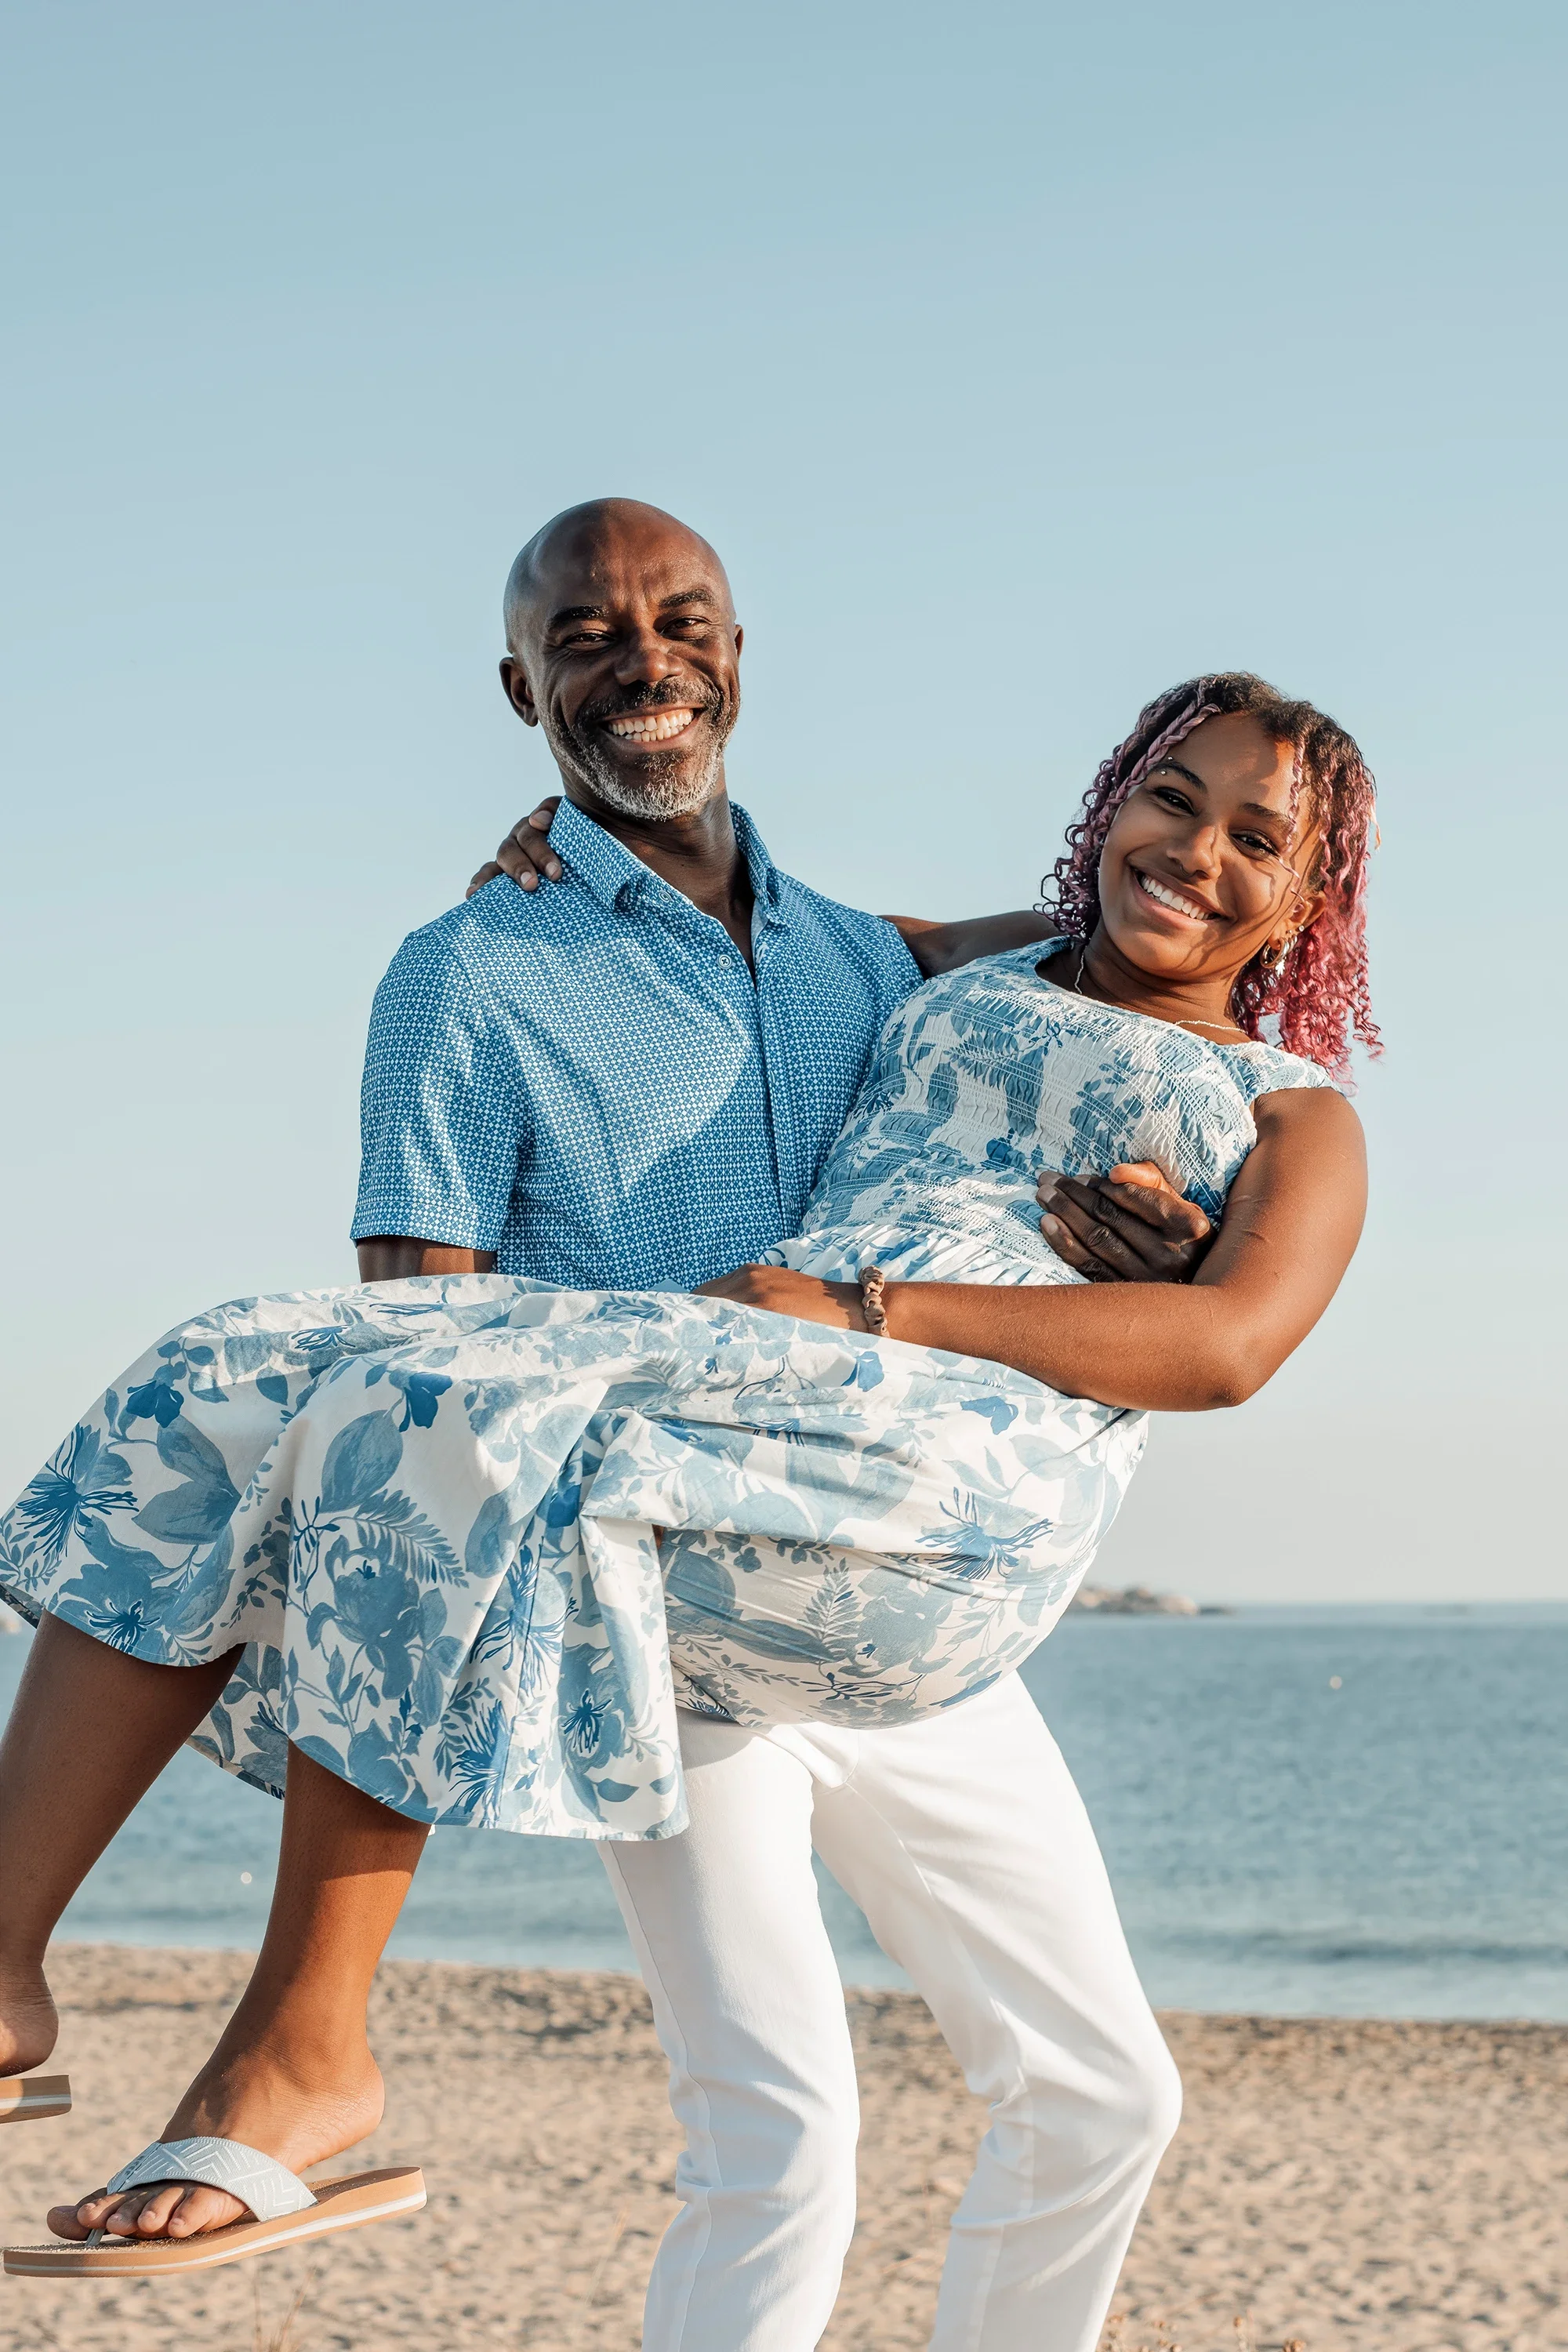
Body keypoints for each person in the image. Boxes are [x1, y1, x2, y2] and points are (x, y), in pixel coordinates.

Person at [0, 505, 1374, 2352]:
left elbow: (1221, 1329)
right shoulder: (654, 966)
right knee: (229, 1364)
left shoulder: (1095, 1041)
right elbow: (441, 1291)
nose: (1196, 850)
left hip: (904, 1517)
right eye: (1167, 797)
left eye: (1255, 837)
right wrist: (558, 864)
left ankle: (306, 2055)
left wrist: (923, 1299)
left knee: (1099, 2090)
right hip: (666, 1532)